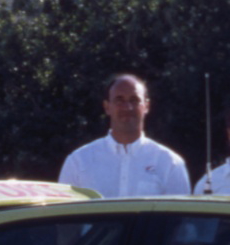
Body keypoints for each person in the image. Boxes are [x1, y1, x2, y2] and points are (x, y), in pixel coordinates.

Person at [59, 73, 191, 196]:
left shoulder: (170, 163)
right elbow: (64, 217)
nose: (127, 107)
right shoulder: (78, 162)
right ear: (107, 107)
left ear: (146, 106)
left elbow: (182, 219)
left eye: (134, 100)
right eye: (119, 100)